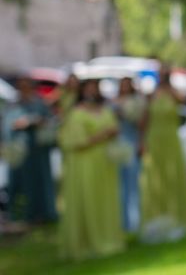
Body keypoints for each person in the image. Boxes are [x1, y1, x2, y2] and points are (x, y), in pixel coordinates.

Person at [58, 78, 124, 259]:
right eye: (88, 88)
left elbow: (114, 129)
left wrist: (112, 134)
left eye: (95, 88)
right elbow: (76, 143)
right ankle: (88, 241)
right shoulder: (77, 114)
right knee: (88, 198)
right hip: (85, 164)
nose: (92, 92)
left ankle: (108, 237)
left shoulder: (105, 110)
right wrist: (103, 135)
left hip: (104, 163)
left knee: (105, 199)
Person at [139, 66, 186, 243]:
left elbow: (184, 101)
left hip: (171, 140)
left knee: (173, 177)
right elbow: (144, 120)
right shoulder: (151, 95)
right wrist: (142, 142)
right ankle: (158, 219)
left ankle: (178, 218)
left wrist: (170, 89)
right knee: (155, 178)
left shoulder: (174, 93)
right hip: (155, 140)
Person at [2, 76, 57, 224]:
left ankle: (42, 213)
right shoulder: (13, 104)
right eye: (21, 86)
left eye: (26, 85)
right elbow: (6, 124)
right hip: (18, 150)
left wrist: (33, 121)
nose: (24, 89)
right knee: (16, 183)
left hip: (37, 150)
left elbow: (50, 120)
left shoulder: (39, 103)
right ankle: (18, 214)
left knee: (40, 181)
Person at [112, 76, 145, 232]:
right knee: (119, 185)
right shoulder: (113, 101)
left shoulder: (137, 102)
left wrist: (141, 143)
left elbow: (141, 125)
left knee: (132, 184)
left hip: (131, 142)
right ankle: (121, 220)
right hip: (116, 145)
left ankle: (133, 220)